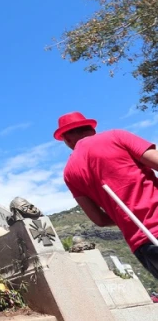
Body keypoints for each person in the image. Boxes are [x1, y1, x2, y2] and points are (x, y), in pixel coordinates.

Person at [55, 111, 158, 280]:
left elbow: (100, 220)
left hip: (142, 243)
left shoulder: (69, 173)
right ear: (92, 130)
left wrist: (123, 216)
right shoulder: (116, 136)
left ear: (66, 140)